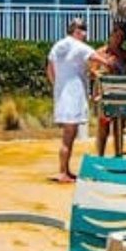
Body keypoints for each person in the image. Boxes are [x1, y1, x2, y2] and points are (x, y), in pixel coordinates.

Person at [47, 18, 95, 182]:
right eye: (83, 28)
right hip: (74, 96)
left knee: (68, 134)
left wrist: (58, 88)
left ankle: (65, 170)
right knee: (69, 135)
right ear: (75, 31)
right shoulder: (79, 46)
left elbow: (50, 71)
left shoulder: (57, 46)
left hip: (62, 96)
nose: (85, 32)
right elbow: (101, 60)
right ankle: (62, 172)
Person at [88, 22, 126, 156]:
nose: (120, 40)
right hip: (104, 95)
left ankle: (118, 154)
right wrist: (103, 72)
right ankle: (100, 155)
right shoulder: (100, 53)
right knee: (103, 127)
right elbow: (91, 72)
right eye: (117, 36)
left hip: (121, 95)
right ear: (111, 35)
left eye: (123, 37)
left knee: (119, 126)